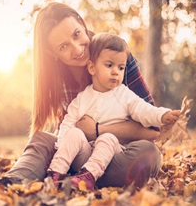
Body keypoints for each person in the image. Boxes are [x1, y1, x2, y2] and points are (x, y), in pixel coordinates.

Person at [0, 2, 165, 189]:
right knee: (42, 139)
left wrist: (97, 130)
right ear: (51, 52)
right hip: (79, 153)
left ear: (81, 22)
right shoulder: (57, 76)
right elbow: (67, 132)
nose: (77, 50)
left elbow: (153, 130)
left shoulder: (114, 55)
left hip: (119, 154)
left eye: (77, 34)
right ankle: (9, 183)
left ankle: (79, 178)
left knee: (149, 153)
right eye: (63, 47)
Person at [46, 32, 180, 191]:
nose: (116, 71)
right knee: (73, 134)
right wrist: (61, 145)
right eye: (109, 65)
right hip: (85, 154)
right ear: (92, 67)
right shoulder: (82, 99)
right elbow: (68, 123)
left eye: (121, 67)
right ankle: (55, 174)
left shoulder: (124, 95)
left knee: (108, 138)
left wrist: (162, 116)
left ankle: (89, 177)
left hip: (114, 155)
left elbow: (144, 110)